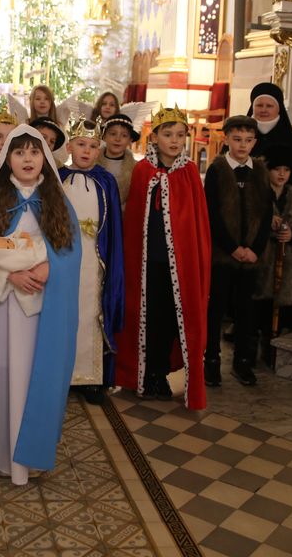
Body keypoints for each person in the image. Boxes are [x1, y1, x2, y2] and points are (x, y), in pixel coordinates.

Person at [0, 125, 81, 486]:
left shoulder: (57, 202)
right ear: (6, 159)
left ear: (45, 157)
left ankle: (30, 454)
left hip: (41, 310)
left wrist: (48, 268)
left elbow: (71, 252)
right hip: (2, 310)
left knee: (33, 374)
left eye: (34, 152)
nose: (27, 159)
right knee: (1, 372)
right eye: (19, 152)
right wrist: (9, 275)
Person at [113, 105, 211, 409]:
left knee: (171, 320)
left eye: (180, 135)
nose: (175, 140)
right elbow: (133, 220)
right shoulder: (143, 171)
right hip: (146, 262)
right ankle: (146, 375)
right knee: (147, 318)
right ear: (154, 137)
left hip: (178, 265)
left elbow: (197, 223)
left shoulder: (189, 172)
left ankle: (162, 374)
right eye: (168, 134)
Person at [58, 117, 125, 405]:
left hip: (94, 262)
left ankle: (89, 378)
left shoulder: (106, 181)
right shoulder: (57, 178)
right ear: (69, 146)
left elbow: (113, 228)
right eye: (81, 144)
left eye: (93, 146)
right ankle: (61, 374)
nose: (86, 151)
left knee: (90, 313)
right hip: (62, 260)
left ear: (100, 150)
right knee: (64, 314)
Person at [204, 115, 273, 387]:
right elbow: (212, 214)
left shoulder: (261, 171)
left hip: (252, 256)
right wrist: (232, 248)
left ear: (254, 142)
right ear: (226, 139)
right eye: (237, 139)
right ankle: (211, 361)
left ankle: (243, 362)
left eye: (248, 140)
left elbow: (266, 213)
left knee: (247, 311)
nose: (242, 145)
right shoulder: (217, 170)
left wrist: (255, 249)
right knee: (216, 309)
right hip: (223, 254)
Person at [247, 82, 292, 330]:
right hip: (252, 213)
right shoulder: (244, 134)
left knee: (281, 271)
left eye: (269, 105)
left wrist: (288, 212)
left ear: (279, 109)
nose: (264, 110)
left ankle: (284, 319)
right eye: (259, 105)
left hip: (284, 210)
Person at [255, 144, 292, 366]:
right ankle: (258, 344)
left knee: (282, 308)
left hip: (286, 259)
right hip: (263, 257)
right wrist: (267, 223)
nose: (281, 174)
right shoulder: (258, 193)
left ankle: (274, 346)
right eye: (277, 169)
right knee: (261, 306)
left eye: (286, 170)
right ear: (268, 170)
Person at [97, 113, 139, 210]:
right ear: (104, 136)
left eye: (124, 135)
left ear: (130, 140)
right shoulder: (91, 165)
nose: (118, 139)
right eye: (113, 134)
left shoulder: (136, 169)